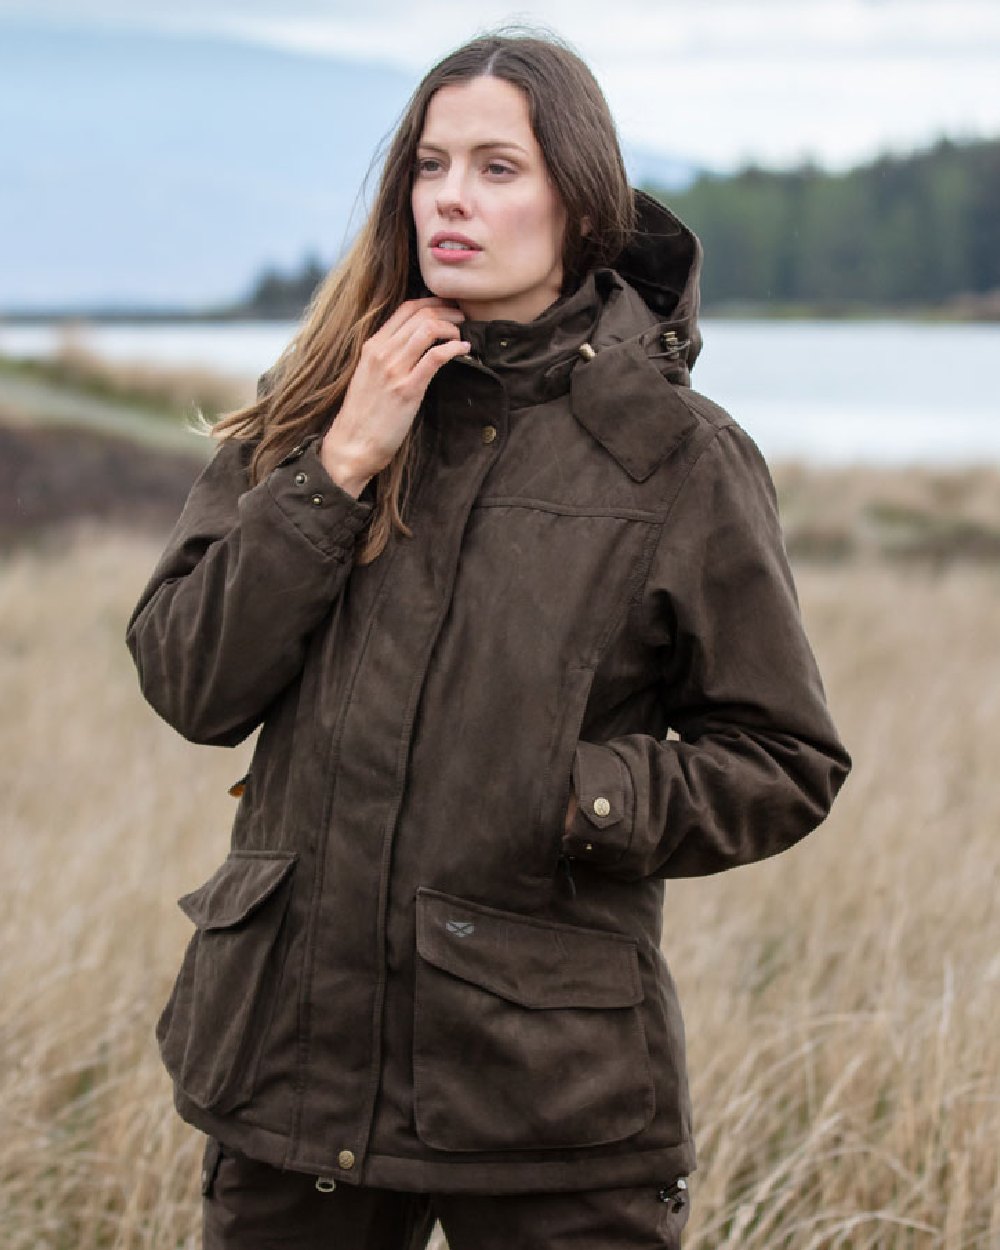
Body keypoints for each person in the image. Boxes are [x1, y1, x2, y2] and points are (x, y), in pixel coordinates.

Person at [126, 29, 851, 1250]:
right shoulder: (316, 404)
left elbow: (784, 756)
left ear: (579, 198)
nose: (451, 198)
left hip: (546, 1093)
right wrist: (340, 464)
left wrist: (570, 795)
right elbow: (192, 680)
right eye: (429, 163)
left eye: (497, 167)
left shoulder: (675, 454)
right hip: (295, 1075)